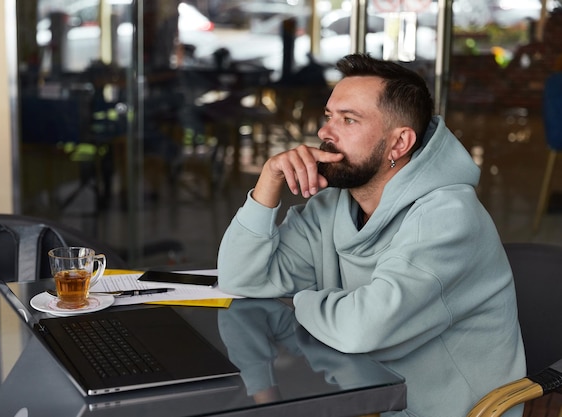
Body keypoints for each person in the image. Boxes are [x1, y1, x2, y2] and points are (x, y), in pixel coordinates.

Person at [217, 53, 526, 416]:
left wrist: (301, 299)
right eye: (330, 116)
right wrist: (269, 181)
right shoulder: (332, 206)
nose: (324, 133)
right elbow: (241, 278)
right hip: (365, 400)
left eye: (349, 120)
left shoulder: (448, 218)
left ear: (399, 143)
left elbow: (361, 330)